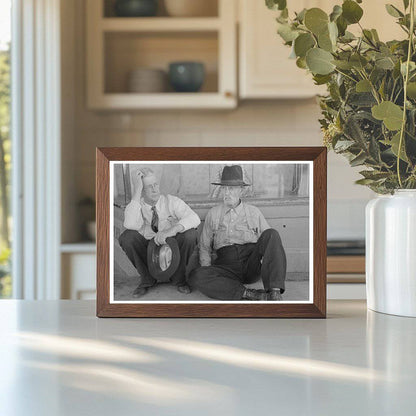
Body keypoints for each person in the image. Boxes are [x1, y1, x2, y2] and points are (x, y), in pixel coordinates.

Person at [189, 165, 286, 301]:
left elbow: (270, 243)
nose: (227, 193)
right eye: (224, 188)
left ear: (241, 190)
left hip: (251, 264)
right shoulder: (213, 213)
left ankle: (274, 292)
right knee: (197, 275)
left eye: (232, 188)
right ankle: (249, 294)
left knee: (272, 234)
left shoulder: (253, 212)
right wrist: (209, 273)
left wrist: (265, 266)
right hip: (226, 268)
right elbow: (204, 247)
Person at [119, 167, 200, 298]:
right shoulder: (137, 205)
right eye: (149, 186)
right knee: (127, 237)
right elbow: (129, 224)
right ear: (141, 190)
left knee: (190, 235)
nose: (155, 189)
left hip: (172, 247)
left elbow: (195, 218)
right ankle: (147, 280)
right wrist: (136, 191)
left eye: (156, 184)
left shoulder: (171, 201)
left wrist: (171, 230)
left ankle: (179, 279)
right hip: (149, 249)